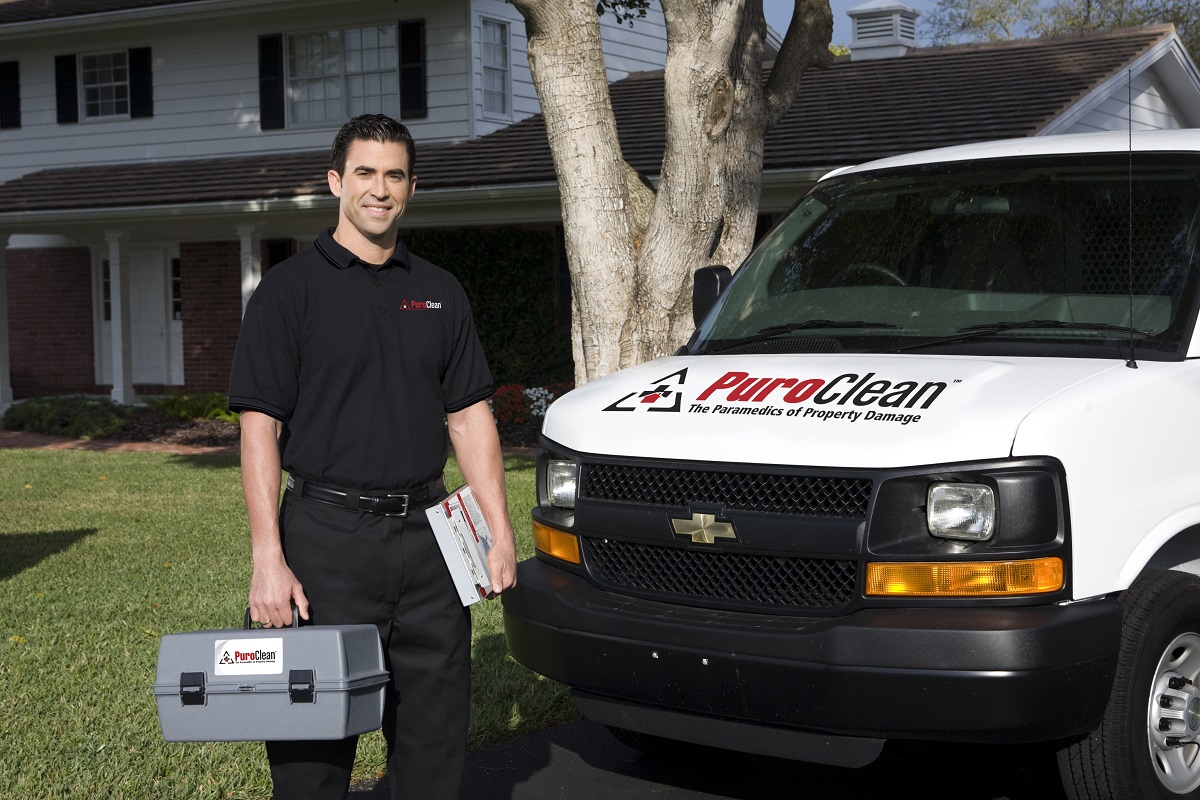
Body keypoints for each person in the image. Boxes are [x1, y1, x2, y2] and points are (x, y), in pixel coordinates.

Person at [227, 113, 517, 800]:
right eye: (365, 172)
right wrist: (268, 558)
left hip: (431, 541)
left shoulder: (442, 291)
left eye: (393, 175)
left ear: (412, 187)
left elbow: (470, 416)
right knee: (310, 761)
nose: (379, 189)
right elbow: (259, 426)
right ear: (336, 182)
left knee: (434, 749)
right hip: (327, 542)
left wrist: (498, 530)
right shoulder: (288, 292)